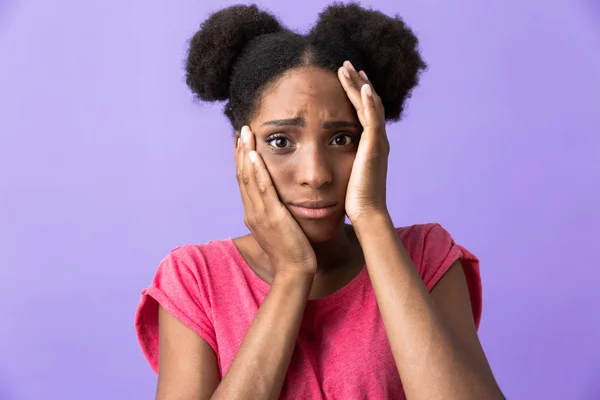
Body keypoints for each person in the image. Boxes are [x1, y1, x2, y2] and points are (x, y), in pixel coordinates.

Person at [135, 3, 504, 399]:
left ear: (372, 144)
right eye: (281, 141)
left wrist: (371, 217)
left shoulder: (426, 257)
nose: (316, 174)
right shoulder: (195, 278)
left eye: (341, 138)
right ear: (241, 149)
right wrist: (293, 272)